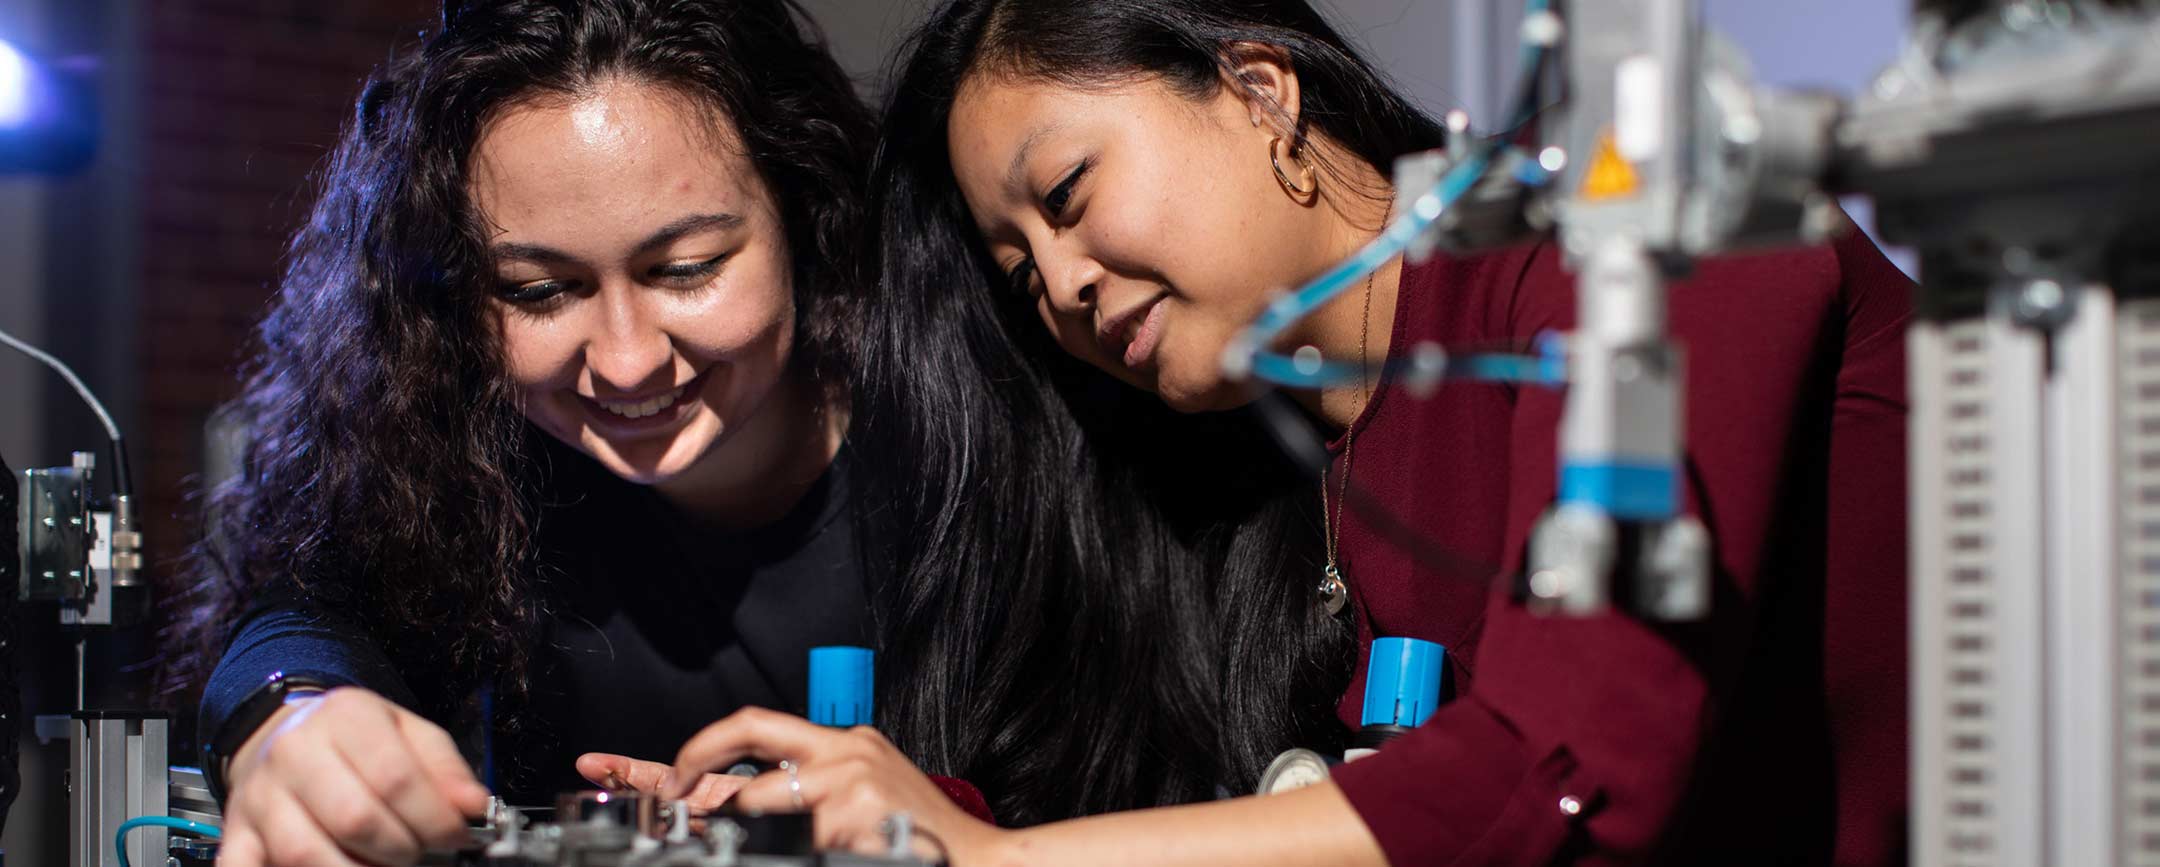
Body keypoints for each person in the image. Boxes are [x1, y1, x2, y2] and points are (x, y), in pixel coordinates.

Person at [657, 0, 1912, 864]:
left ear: (1260, 90)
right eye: (1021, 270)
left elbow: (1567, 770)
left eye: (1069, 196)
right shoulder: (1277, 467)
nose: (1064, 287)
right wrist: (883, 821)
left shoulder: (1642, 213)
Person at [163, 1, 934, 864]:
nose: (628, 361)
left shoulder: (960, 442)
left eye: (686, 269)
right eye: (538, 291)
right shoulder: (470, 461)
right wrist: (290, 715)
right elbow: (307, 617)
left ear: (804, 212)